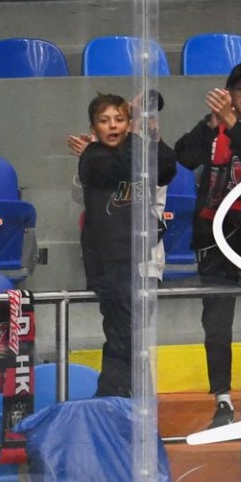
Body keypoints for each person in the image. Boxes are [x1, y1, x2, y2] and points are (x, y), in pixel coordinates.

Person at [171, 60, 241, 429]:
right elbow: (184, 157)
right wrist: (210, 124)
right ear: (228, 93)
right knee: (216, 321)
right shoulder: (214, 125)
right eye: (239, 90)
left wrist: (233, 125)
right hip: (213, 232)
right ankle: (222, 398)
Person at [67, 91, 178, 398]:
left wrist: (150, 130)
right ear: (93, 128)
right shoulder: (93, 157)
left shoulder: (136, 148)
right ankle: (120, 398)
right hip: (110, 262)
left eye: (119, 119)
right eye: (104, 121)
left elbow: (167, 168)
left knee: (130, 334)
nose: (113, 125)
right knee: (124, 333)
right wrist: (136, 133)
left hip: (140, 259)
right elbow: (120, 167)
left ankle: (115, 398)